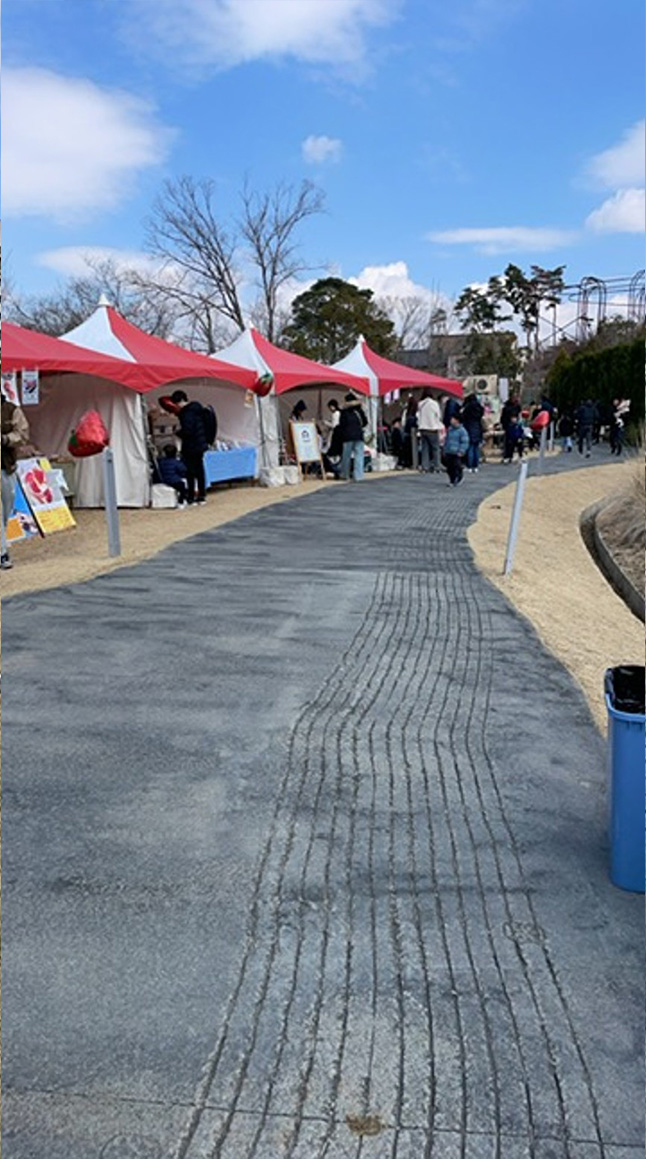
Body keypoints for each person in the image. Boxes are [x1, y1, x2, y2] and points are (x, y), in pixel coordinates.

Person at [1, 391, 31, 569]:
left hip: (6, 466)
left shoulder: (11, 410)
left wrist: (6, 439)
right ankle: (2, 553)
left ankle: (2, 544)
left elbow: (23, 434)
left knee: (6, 509)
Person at [169, 389, 209, 504]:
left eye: (176, 403)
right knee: (200, 470)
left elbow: (188, 431)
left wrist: (177, 432)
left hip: (191, 446)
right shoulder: (197, 408)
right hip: (200, 444)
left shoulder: (186, 413)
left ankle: (191, 495)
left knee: (190, 472)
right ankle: (202, 494)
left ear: (179, 401)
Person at [339, 391, 368, 481]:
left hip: (347, 436)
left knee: (346, 456)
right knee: (359, 455)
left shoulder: (344, 412)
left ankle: (345, 474)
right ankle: (358, 476)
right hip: (359, 435)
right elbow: (365, 422)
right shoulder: (359, 410)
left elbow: (342, 424)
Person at [417, 388, 443, 473]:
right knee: (435, 448)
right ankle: (437, 466)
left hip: (422, 428)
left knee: (425, 448)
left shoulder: (420, 404)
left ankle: (425, 466)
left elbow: (418, 415)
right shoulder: (434, 403)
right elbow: (438, 415)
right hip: (432, 428)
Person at [442, 413, 469, 486]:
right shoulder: (450, 429)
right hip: (449, 451)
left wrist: (462, 450)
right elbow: (447, 439)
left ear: (457, 421)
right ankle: (452, 479)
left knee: (456, 466)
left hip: (456, 452)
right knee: (449, 467)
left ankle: (458, 478)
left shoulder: (462, 431)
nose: (451, 420)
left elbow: (465, 441)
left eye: (453, 419)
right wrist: (445, 448)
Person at [461, 392, 484, 473]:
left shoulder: (468, 407)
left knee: (470, 448)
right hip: (478, 428)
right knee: (476, 448)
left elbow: (463, 417)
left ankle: (469, 466)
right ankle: (476, 466)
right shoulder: (479, 407)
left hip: (469, 427)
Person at [500, 394, 521, 462]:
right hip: (512, 426)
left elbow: (503, 417)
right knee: (513, 441)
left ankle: (508, 456)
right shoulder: (515, 407)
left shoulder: (507, 407)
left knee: (510, 442)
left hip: (509, 426)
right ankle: (510, 455)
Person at [402, 395, 419, 468]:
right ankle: (415, 463)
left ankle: (408, 463)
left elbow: (403, 422)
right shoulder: (417, 413)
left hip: (407, 432)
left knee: (407, 449)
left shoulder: (406, 412)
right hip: (415, 433)